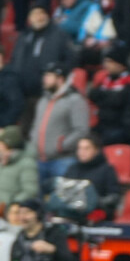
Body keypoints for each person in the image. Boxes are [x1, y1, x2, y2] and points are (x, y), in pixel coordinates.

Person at [30, 63, 90, 191]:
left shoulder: (75, 100)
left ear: (60, 79)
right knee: (38, 205)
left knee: (61, 201)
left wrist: (62, 145)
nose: (44, 79)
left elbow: (82, 130)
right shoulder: (43, 100)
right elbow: (35, 125)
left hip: (63, 161)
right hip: (39, 160)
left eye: (48, 75)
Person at [10, 6, 76, 105]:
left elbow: (71, 59)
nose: (38, 17)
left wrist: (58, 78)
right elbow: (14, 59)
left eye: (41, 13)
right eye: (35, 14)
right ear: (29, 18)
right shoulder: (24, 35)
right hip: (24, 93)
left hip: (49, 93)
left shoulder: (59, 35)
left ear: (47, 15)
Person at [88, 45, 130, 145]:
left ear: (121, 65)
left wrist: (104, 96)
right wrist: (109, 96)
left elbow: (118, 100)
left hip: (121, 126)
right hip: (103, 123)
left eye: (110, 62)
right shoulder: (106, 79)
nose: (107, 65)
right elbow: (93, 94)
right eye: (106, 62)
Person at [62, 135, 122, 221]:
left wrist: (95, 203)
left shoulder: (107, 170)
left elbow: (114, 196)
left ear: (96, 150)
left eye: (86, 148)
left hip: (97, 215)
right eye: (80, 148)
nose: (82, 152)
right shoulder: (72, 169)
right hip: (72, 213)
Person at [0, 125, 39, 212]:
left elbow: (30, 191)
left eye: (0, 142)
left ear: (8, 144)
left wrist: (12, 204)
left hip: (12, 214)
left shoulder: (27, 163)